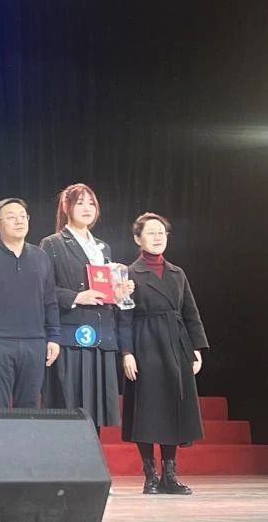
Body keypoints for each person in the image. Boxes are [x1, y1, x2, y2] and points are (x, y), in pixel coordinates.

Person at [119, 212, 209, 495]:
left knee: (173, 407)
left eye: (162, 233)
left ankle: (170, 475)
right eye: (151, 232)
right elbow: (123, 318)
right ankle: (151, 476)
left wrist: (196, 349)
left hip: (176, 343)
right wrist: (127, 352)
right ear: (138, 238)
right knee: (146, 409)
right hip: (145, 343)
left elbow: (191, 313)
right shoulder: (129, 274)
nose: (158, 237)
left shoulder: (177, 273)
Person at [39, 183, 133, 428]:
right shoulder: (53, 243)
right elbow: (43, 290)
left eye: (91, 203)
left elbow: (104, 289)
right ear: (66, 207)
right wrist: (76, 297)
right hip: (71, 335)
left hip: (102, 336)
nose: (87, 208)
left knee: (96, 413)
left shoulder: (103, 247)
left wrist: (118, 293)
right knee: (69, 409)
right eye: (80, 203)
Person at [0, 198, 61, 408]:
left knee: (30, 407)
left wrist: (54, 337)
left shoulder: (40, 257)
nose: (19, 221)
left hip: (34, 343)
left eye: (23, 216)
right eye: (11, 217)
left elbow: (50, 301)